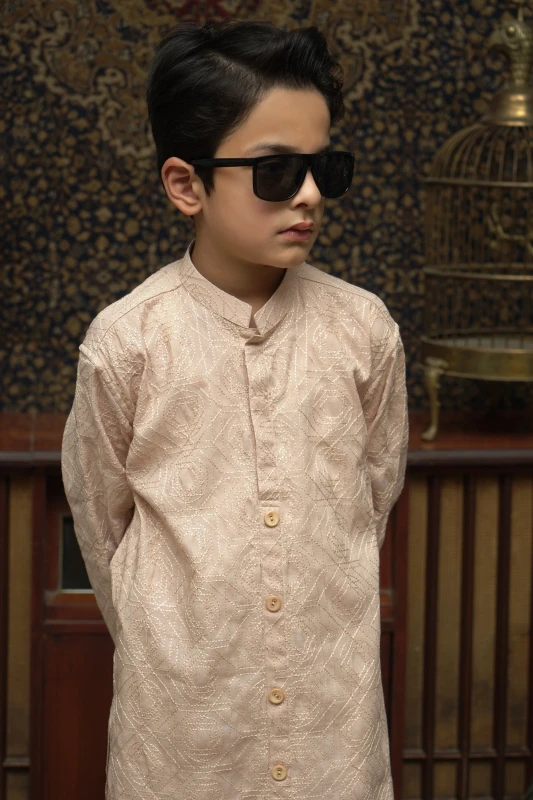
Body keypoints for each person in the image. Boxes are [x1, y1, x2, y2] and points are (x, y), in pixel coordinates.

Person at [61, 19, 409, 800]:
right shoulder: (126, 342)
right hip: (180, 733)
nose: (309, 195)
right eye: (277, 171)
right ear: (186, 185)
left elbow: (370, 501)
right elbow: (102, 524)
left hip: (330, 730)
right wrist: (176, 641)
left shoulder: (364, 331)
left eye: (323, 168)